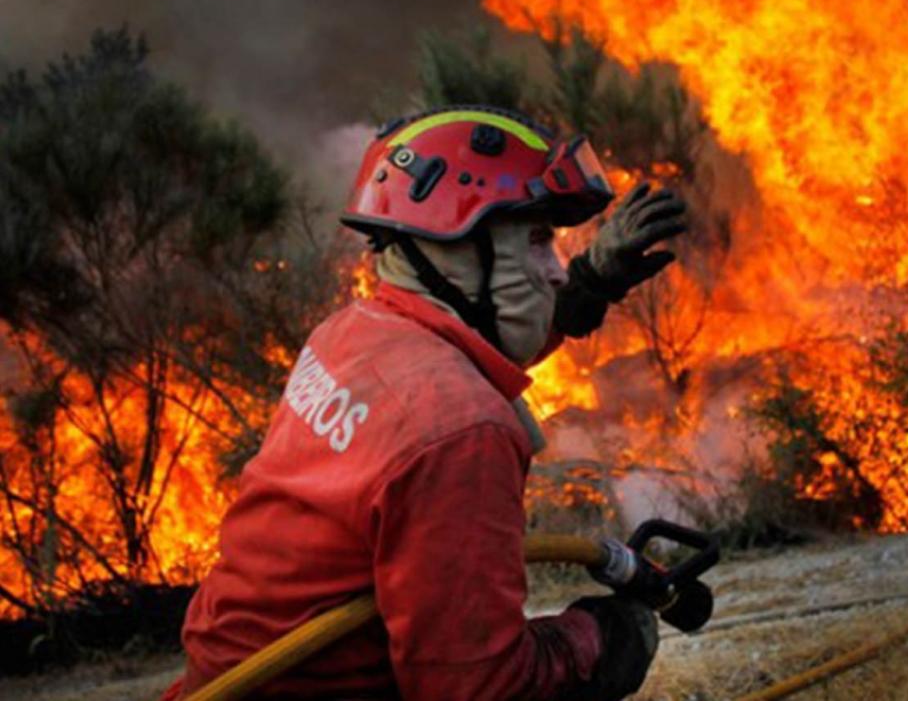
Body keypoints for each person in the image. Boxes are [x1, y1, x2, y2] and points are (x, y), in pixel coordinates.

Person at [164, 106, 686, 701]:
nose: (556, 272)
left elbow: (464, 350)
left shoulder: (355, 332)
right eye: (538, 241)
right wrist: (594, 640)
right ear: (454, 251)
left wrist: (593, 283)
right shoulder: (461, 433)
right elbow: (478, 691)